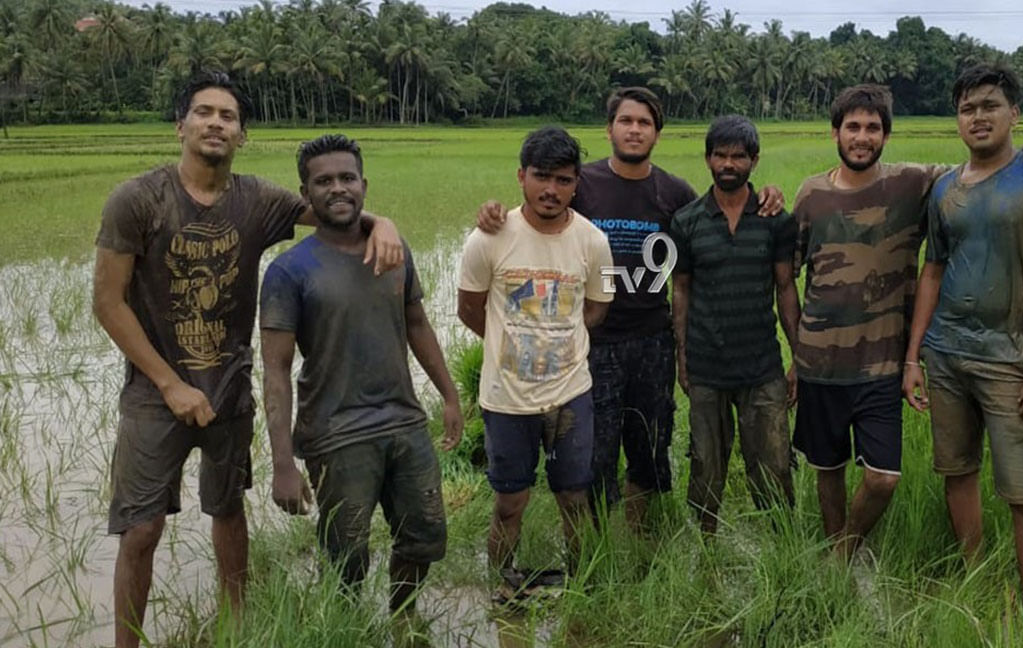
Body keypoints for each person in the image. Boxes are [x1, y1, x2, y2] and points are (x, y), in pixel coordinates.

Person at [92, 71, 401, 648]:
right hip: (153, 395)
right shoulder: (137, 200)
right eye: (204, 112)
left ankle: (236, 629)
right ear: (180, 125)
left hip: (230, 391)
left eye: (227, 116)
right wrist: (168, 385)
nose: (215, 123)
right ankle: (125, 644)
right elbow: (107, 304)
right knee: (140, 528)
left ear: (243, 135)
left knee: (228, 511)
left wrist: (382, 222)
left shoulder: (257, 201)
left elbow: (334, 211)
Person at [476, 87, 785, 528]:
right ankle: (599, 539)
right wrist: (491, 213)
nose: (635, 130)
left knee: (649, 445)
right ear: (610, 129)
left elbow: (718, 215)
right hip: (591, 344)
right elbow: (536, 210)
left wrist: (767, 194)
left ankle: (640, 535)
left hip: (652, 341)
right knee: (595, 451)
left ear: (658, 134)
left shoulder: (676, 193)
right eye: (626, 120)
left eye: (644, 123)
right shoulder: (583, 186)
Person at [792, 84, 1023, 564]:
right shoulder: (809, 193)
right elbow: (786, 272)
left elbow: (981, 170)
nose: (862, 137)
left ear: (886, 135)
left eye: (873, 128)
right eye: (852, 127)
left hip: (882, 364)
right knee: (827, 467)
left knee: (882, 477)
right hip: (819, 361)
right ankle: (836, 559)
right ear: (834, 132)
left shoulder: (916, 183)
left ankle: (843, 549)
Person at [903, 64, 1023, 617]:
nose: (978, 117)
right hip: (947, 354)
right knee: (956, 472)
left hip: (1013, 361)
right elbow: (931, 272)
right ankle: (975, 577)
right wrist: (913, 357)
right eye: (967, 109)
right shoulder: (944, 189)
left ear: (1014, 114)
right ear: (956, 119)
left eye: (989, 106)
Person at [258, 134, 463, 623]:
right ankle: (346, 626)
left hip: (405, 423)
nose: (338, 189)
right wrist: (282, 462)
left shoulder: (393, 251)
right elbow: (275, 371)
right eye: (323, 181)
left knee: (425, 534)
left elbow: (417, 324)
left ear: (364, 185)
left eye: (347, 178)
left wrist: (450, 396)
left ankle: (404, 614)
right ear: (305, 194)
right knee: (345, 553)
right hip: (336, 433)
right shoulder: (289, 271)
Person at [457, 126, 613, 585]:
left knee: (574, 498)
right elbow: (470, 308)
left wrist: (556, 336)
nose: (551, 189)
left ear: (576, 184)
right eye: (542, 177)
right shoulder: (488, 238)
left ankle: (583, 584)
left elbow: (599, 307)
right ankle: (502, 584)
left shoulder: (591, 241)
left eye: (564, 180)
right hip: (506, 399)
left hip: (569, 395)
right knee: (510, 503)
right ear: (521, 176)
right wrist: (512, 342)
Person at [670, 115, 800, 535]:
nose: (729, 164)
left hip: (762, 366)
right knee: (706, 466)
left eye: (738, 156)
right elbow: (682, 291)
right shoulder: (686, 222)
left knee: (775, 467)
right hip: (707, 365)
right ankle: (705, 550)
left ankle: (781, 553)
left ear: (754, 160)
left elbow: (785, 289)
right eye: (721, 155)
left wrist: (798, 358)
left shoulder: (775, 219)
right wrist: (682, 356)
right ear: (708, 159)